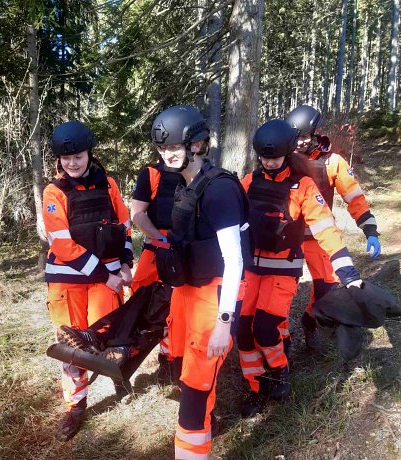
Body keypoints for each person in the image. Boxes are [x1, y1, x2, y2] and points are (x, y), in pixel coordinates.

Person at [237, 119, 363, 418]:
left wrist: (346, 269)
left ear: (287, 154)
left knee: (266, 329)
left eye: (275, 157)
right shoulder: (248, 182)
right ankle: (255, 386)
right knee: (242, 331)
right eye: (264, 158)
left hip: (282, 271)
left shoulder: (302, 185)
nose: (269, 163)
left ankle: (279, 370)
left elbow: (325, 228)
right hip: (250, 270)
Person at [151, 105, 248, 459]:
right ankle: (205, 423)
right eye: (163, 149)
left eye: (176, 146)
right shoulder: (185, 185)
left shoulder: (218, 190)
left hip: (215, 298)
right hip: (190, 292)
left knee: (193, 389)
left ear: (198, 144)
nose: (169, 154)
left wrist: (225, 322)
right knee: (186, 375)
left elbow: (234, 259)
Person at [42, 120, 133, 442]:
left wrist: (124, 262)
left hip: (105, 279)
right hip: (68, 281)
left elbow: (124, 226)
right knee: (71, 346)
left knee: (105, 336)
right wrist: (106, 274)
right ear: (59, 160)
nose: (73, 163)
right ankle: (76, 406)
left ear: (89, 153)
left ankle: (116, 375)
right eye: (67, 159)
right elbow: (62, 244)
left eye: (78, 156)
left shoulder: (108, 184)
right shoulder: (54, 191)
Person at [285, 105, 381, 349]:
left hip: (320, 237)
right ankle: (278, 339)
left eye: (304, 137)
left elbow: (355, 197)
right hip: (288, 237)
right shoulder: (282, 160)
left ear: (316, 133)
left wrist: (369, 230)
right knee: (281, 291)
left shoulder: (332, 162)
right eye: (295, 138)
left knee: (326, 288)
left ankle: (309, 322)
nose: (299, 143)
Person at [130, 159, 184, 372]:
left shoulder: (201, 173)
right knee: (142, 301)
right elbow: (138, 214)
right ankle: (129, 351)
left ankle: (170, 359)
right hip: (155, 250)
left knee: (177, 308)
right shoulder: (151, 174)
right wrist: (161, 240)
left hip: (183, 251)